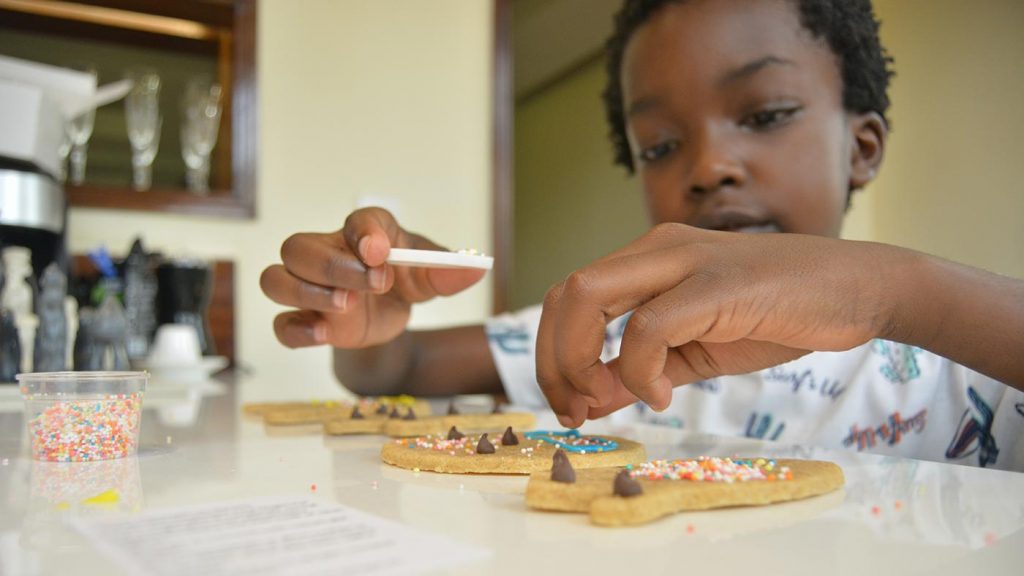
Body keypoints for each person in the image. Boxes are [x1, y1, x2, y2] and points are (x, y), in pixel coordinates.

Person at [260, 0, 1024, 471]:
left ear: (861, 148)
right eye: (659, 146)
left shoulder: (960, 359)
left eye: (764, 115)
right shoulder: (599, 336)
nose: (710, 166)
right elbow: (401, 368)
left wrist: (893, 293)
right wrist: (375, 322)